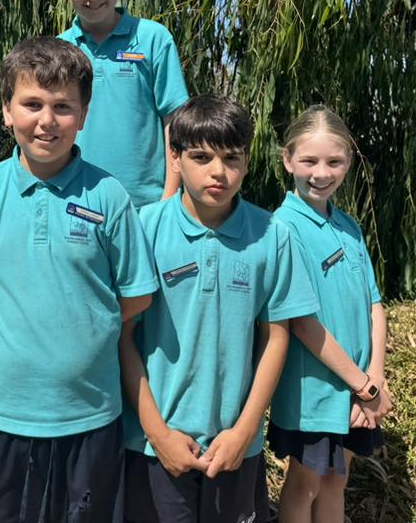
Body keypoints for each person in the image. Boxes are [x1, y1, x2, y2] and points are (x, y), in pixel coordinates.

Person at [0, 36, 159, 523]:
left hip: (88, 418)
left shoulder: (109, 195)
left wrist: (88, 320)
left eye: (62, 107)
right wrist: (0, 307)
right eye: (32, 104)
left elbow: (135, 296)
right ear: (7, 111)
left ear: (84, 115)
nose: (47, 120)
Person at [122, 95, 318, 523]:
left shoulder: (272, 235)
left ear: (247, 163)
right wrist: (158, 433)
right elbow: (123, 336)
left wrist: (245, 431)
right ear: (174, 158)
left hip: (235, 447)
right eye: (201, 157)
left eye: (232, 158)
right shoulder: (143, 229)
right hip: (154, 447)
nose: (218, 171)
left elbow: (276, 338)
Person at [268, 105, 393, 523]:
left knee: (338, 480)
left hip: (358, 391)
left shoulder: (349, 226)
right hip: (315, 393)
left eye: (333, 162)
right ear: (288, 160)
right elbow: (303, 324)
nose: (321, 173)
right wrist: (363, 386)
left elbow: (375, 305)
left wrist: (375, 378)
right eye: (309, 161)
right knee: (305, 484)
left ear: (349, 162)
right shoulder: (283, 228)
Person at [57, 0, 189, 207]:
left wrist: (168, 200)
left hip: (146, 206)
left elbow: (176, 121)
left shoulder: (153, 39)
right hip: (76, 200)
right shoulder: (58, 49)